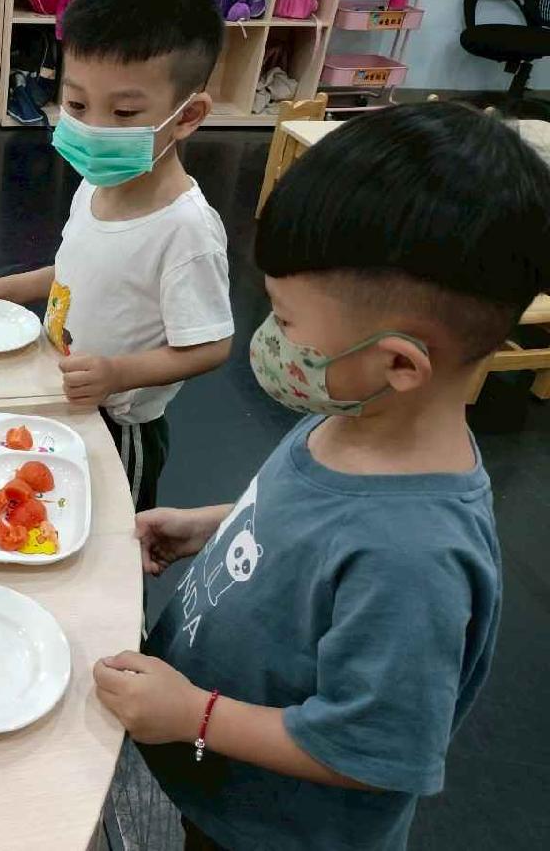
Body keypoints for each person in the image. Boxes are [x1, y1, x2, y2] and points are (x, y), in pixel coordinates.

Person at [92, 103, 550, 850]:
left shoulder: (414, 558)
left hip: (272, 830)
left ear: (400, 362)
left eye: (285, 321)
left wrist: (194, 716)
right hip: (221, 780)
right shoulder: (362, 412)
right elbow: (311, 512)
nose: (269, 338)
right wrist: (213, 524)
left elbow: (370, 749)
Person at [0, 0, 234, 510]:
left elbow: (211, 344)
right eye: (77, 105)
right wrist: (5, 287)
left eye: (123, 112)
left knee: (113, 529)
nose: (93, 128)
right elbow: (79, 269)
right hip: (67, 390)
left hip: (121, 424)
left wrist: (118, 374)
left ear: (187, 115)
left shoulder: (186, 229)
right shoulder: (98, 184)